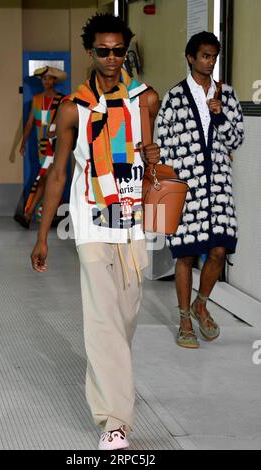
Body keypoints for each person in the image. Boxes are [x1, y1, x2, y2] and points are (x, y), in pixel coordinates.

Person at [30, 13, 160, 450]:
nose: (110, 58)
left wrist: (153, 154)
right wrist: (43, 234)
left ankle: (112, 389)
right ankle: (115, 422)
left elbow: (153, 168)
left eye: (118, 50)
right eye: (102, 50)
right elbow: (59, 172)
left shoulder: (146, 100)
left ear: (127, 51)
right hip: (90, 223)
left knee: (124, 321)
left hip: (134, 224)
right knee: (103, 323)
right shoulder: (74, 107)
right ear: (91, 51)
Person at [156, 31, 244, 349]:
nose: (210, 62)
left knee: (219, 250)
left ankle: (201, 303)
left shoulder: (226, 95)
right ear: (191, 57)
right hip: (186, 187)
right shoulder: (175, 98)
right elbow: (164, 145)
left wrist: (219, 117)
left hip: (218, 188)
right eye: (205, 55)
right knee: (186, 255)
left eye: (214, 56)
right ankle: (183, 319)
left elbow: (234, 140)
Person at [19, 66, 67, 227]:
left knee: (45, 178)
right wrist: (22, 143)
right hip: (42, 146)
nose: (47, 81)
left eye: (50, 78)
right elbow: (29, 124)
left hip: (57, 145)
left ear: (54, 80)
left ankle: (30, 212)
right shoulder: (37, 99)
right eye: (44, 78)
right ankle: (50, 214)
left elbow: (66, 122)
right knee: (48, 179)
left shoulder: (62, 99)